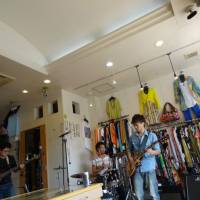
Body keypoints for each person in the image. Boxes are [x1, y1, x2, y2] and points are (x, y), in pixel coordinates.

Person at [129, 114, 161, 200]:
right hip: (136, 169)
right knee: (139, 195)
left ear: (143, 123)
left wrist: (151, 151)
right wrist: (132, 161)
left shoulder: (152, 135)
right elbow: (129, 151)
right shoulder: (132, 137)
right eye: (134, 125)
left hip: (149, 167)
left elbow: (158, 151)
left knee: (154, 194)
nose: (135, 127)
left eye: (137, 125)